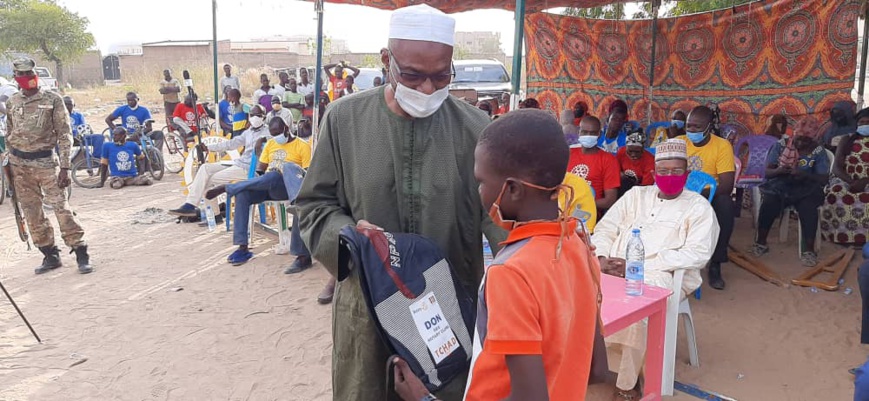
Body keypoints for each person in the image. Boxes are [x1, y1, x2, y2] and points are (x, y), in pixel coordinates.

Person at [295, 5, 506, 399]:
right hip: (368, 308)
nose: (428, 89)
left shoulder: (477, 129)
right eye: (413, 75)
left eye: (441, 75)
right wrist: (348, 237)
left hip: (448, 313)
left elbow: (503, 218)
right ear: (386, 61)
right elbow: (313, 205)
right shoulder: (343, 120)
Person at [393, 109, 599, 401]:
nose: (479, 192)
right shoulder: (579, 246)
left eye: (481, 182)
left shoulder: (510, 273)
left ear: (512, 189)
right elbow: (597, 368)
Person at [593, 139, 719, 401]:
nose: (669, 176)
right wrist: (603, 258)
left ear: (686, 173)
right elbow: (605, 228)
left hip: (665, 273)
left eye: (676, 171)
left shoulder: (699, 207)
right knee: (581, 292)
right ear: (654, 173)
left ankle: (627, 383)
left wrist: (638, 266)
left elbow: (697, 253)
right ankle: (593, 365)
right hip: (614, 266)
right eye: (663, 171)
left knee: (638, 306)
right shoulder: (636, 195)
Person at [4, 58, 92, 274]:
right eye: (22, 75)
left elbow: (64, 134)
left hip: (46, 164)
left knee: (62, 209)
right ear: (16, 78)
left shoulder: (53, 100)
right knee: (32, 212)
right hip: (19, 166)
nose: (28, 78)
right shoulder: (13, 101)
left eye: (30, 74)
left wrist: (64, 167)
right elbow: (9, 132)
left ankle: (80, 251)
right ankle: (49, 254)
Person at [208, 114, 311, 267]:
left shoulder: (302, 145)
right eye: (273, 134)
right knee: (244, 194)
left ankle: (230, 187)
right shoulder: (270, 144)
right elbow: (261, 171)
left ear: (286, 129)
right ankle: (243, 248)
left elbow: (305, 174)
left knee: (276, 174)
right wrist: (258, 152)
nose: (276, 137)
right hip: (267, 185)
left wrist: (279, 172)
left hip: (286, 188)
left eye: (278, 133)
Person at [749, 116, 829, 266]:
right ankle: (760, 243)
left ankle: (809, 251)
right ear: (795, 133)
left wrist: (804, 174)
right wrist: (780, 170)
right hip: (781, 183)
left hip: (807, 187)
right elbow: (767, 172)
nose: (800, 142)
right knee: (770, 201)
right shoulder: (781, 145)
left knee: (808, 207)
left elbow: (823, 179)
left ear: (813, 139)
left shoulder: (818, 151)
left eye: (805, 139)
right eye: (798, 137)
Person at [169, 105, 271, 217]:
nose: (255, 118)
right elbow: (231, 144)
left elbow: (276, 141)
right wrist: (208, 147)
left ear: (264, 117)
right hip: (238, 163)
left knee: (208, 181)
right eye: (252, 115)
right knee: (205, 168)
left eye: (258, 115)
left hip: (250, 169)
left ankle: (209, 213)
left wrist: (264, 139)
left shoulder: (269, 132)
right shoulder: (248, 132)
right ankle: (191, 205)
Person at [680, 105, 735, 290]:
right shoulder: (679, 142)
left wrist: (698, 195)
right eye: (689, 126)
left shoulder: (721, 146)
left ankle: (716, 264)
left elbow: (727, 185)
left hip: (709, 195)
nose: (691, 131)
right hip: (679, 194)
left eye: (696, 126)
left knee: (726, 205)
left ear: (709, 126)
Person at [821, 107, 869, 246]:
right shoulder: (847, 139)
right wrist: (852, 182)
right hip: (846, 178)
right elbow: (836, 168)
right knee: (837, 193)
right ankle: (842, 236)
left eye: (868, 122)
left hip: (867, 181)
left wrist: (865, 181)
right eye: (861, 122)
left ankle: (864, 239)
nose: (864, 125)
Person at [568, 116, 620, 218]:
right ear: (579, 132)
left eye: (592, 133)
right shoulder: (568, 154)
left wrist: (580, 206)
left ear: (599, 134)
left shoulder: (608, 160)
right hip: (563, 208)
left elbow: (610, 200)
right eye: (584, 132)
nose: (588, 136)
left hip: (589, 214)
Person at [616, 131, 656, 196]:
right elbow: (615, 171)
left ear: (643, 149)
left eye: (637, 152)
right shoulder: (621, 152)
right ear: (626, 148)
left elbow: (645, 187)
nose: (633, 155)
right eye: (630, 151)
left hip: (639, 190)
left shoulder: (650, 161)